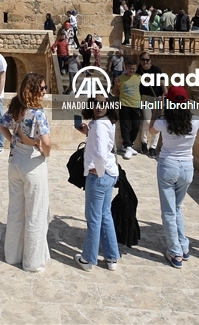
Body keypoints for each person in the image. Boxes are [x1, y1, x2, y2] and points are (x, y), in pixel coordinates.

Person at [0, 73, 51, 273]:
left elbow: (0, 124)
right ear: (34, 89)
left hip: (15, 162)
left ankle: (12, 255)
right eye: (42, 88)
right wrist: (45, 151)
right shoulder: (38, 114)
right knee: (36, 213)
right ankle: (33, 262)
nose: (44, 91)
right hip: (32, 163)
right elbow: (46, 142)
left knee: (16, 210)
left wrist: (13, 140)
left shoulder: (16, 107)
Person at [149, 86, 199, 269]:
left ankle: (175, 252)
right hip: (187, 168)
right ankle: (184, 246)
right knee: (177, 208)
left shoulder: (163, 121)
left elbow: (151, 131)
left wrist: (157, 110)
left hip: (168, 166)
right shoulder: (195, 121)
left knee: (169, 212)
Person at [75, 98, 119, 271]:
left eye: (103, 103)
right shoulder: (106, 122)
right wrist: (88, 132)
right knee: (105, 215)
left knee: (93, 218)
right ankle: (112, 257)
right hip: (110, 174)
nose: (99, 107)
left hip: (99, 176)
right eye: (96, 103)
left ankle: (88, 259)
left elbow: (100, 153)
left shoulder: (99, 125)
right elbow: (103, 143)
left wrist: (98, 171)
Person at [114, 57, 142, 159]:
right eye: (130, 68)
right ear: (126, 68)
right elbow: (114, 91)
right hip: (124, 105)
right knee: (125, 126)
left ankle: (128, 145)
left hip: (136, 105)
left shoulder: (139, 77)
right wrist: (121, 95)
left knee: (136, 126)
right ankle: (128, 146)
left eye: (134, 68)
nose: (132, 70)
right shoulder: (120, 78)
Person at [138, 53, 163, 156]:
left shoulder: (156, 70)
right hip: (145, 98)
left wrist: (164, 96)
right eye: (143, 59)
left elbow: (162, 84)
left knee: (157, 122)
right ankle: (144, 142)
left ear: (150, 60)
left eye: (147, 59)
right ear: (140, 60)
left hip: (157, 98)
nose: (145, 62)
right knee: (147, 121)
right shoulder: (138, 70)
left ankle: (153, 147)